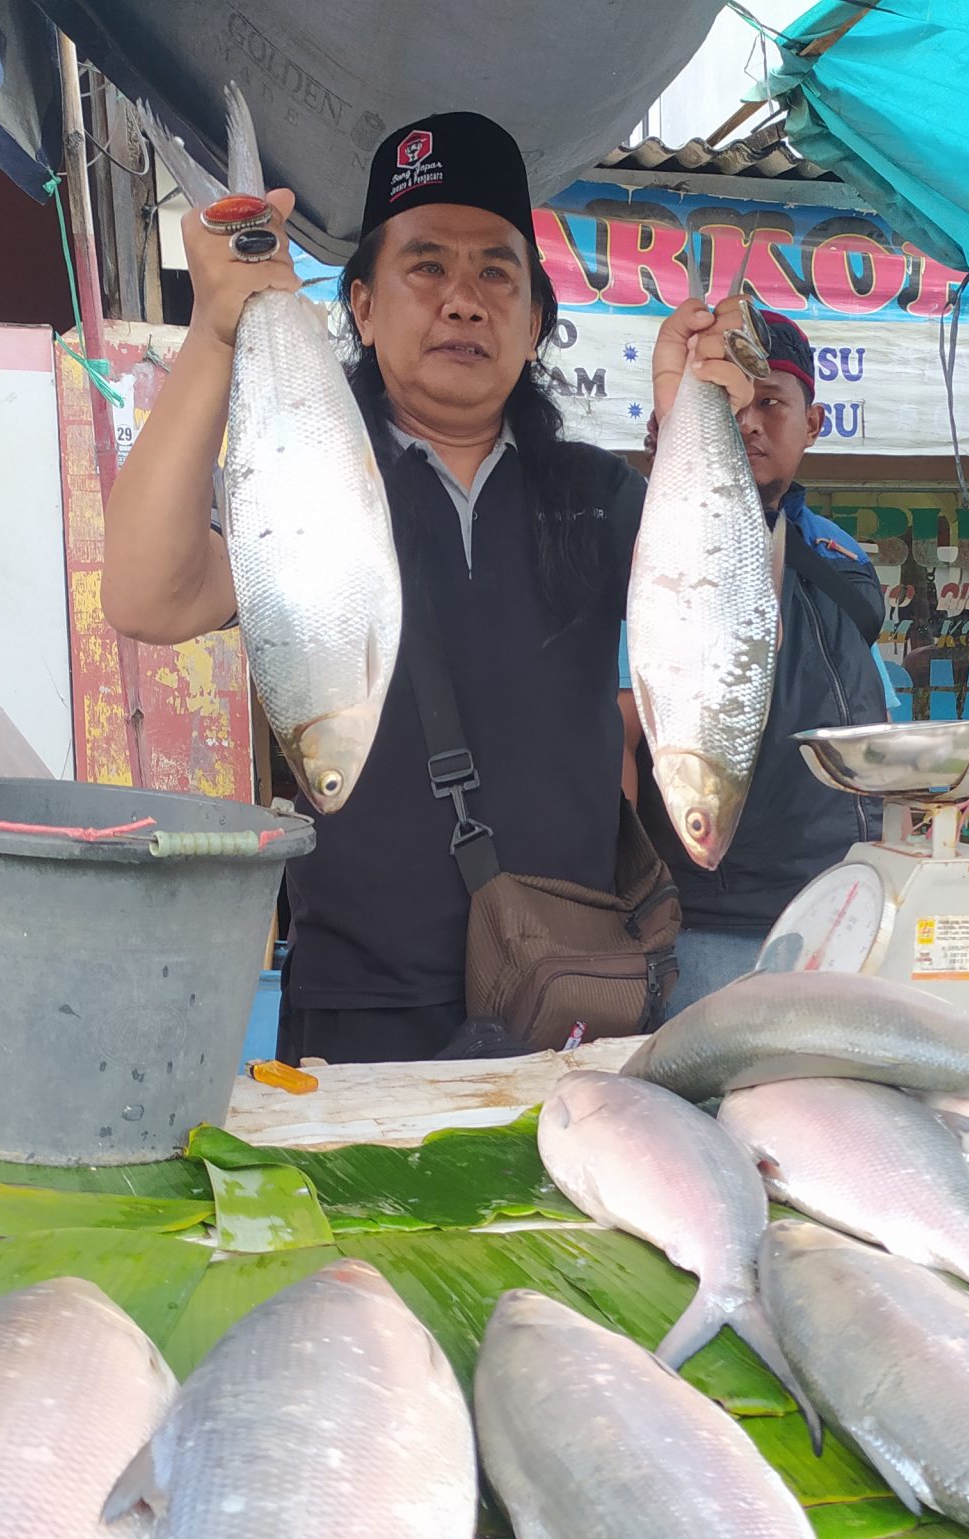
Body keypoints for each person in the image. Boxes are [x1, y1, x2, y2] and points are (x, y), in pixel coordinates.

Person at [102, 111, 748, 1064]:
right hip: (356, 1009)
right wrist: (217, 331)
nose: (463, 300)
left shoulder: (602, 498)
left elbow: (725, 628)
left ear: (535, 326)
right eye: (426, 265)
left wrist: (692, 419)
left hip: (567, 1003)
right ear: (360, 306)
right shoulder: (305, 483)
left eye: (497, 272)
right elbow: (149, 598)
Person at [624, 310, 891, 1013]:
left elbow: (869, 702)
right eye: (736, 403)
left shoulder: (842, 558)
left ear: (815, 423)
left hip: (843, 908)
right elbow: (622, 724)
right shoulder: (656, 549)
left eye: (771, 403)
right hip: (711, 925)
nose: (749, 422)